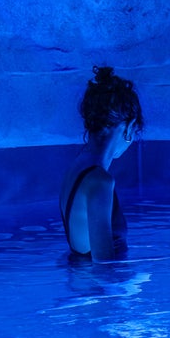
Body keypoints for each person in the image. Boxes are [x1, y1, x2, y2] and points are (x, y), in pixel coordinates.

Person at [60, 66, 142, 259]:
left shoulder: (78, 167)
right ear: (129, 127)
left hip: (83, 283)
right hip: (98, 288)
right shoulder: (99, 181)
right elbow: (104, 268)